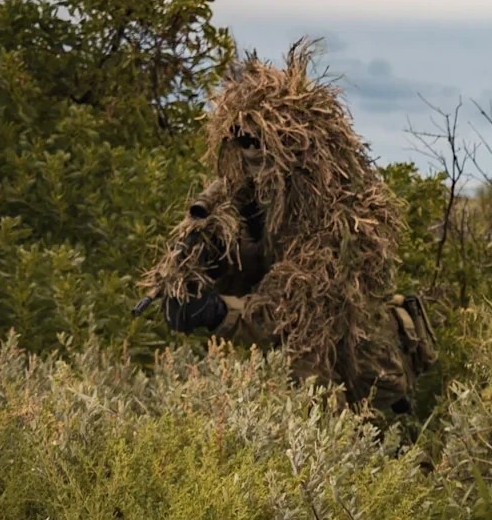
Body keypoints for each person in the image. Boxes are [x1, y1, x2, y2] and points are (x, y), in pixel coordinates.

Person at [146, 42, 432, 415]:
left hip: (355, 375)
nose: (249, 152)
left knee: (330, 428)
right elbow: (261, 272)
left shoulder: (340, 210)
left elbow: (297, 309)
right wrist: (205, 269)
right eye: (240, 140)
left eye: (256, 140)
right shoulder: (258, 199)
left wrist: (218, 312)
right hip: (301, 368)